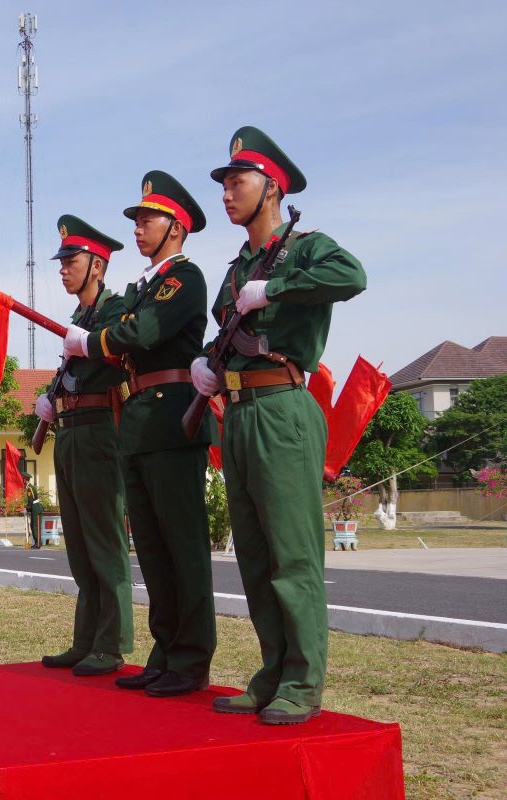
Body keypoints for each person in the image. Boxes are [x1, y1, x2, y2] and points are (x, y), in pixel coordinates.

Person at [192, 127, 366, 724]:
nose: (226, 193)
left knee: (292, 555)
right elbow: (226, 326)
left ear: (272, 187)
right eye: (225, 183)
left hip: (283, 407)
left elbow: (352, 276)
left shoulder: (307, 248)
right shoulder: (238, 264)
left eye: (237, 181)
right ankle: (273, 670)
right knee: (256, 554)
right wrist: (208, 370)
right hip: (237, 413)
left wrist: (277, 289)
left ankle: (304, 679)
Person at [64, 172, 215, 698]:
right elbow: (127, 330)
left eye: (149, 218)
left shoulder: (184, 278)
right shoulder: (145, 287)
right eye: (138, 218)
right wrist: (106, 338)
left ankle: (192, 659)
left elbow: (141, 332)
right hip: (141, 421)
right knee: (152, 549)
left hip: (172, 415)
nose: (139, 226)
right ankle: (165, 650)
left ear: (177, 227)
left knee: (184, 548)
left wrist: (93, 341)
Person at [34, 214, 133, 677]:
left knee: (103, 541)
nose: (62, 268)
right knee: (77, 542)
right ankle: (86, 638)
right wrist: (54, 401)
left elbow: (119, 353)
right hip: (72, 429)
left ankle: (111, 643)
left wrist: (88, 344)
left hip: (98, 428)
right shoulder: (80, 317)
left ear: (97, 264)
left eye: (71, 259)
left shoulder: (113, 311)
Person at [23, 473, 43, 549]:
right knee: (33, 525)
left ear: (25, 480)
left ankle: (38, 544)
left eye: (23, 479)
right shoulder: (29, 487)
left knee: (35, 526)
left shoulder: (29, 488)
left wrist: (27, 508)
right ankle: (37, 543)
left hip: (36, 508)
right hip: (34, 508)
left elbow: (31, 501)